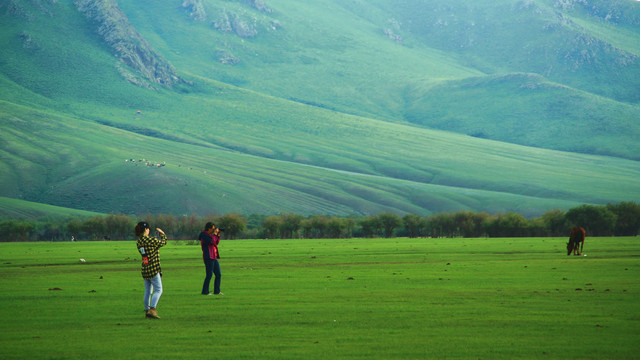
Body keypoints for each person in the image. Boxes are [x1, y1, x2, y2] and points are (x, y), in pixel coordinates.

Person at [135, 221, 167, 319]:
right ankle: (152, 309)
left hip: (145, 269)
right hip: (153, 268)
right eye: (148, 229)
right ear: (146, 229)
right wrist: (163, 234)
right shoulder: (150, 240)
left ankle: (146, 310)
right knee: (158, 290)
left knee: (148, 291)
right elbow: (163, 242)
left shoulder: (139, 242)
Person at [199, 222, 222, 295]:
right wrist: (215, 235)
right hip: (208, 257)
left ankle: (217, 291)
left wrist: (218, 235)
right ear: (209, 228)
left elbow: (216, 243)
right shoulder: (204, 235)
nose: (213, 230)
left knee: (218, 274)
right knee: (209, 275)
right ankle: (205, 292)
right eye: (213, 228)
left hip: (213, 257)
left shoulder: (210, 235)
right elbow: (212, 242)